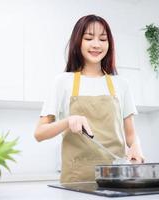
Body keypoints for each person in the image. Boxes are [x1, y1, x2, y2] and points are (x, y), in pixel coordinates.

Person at [34, 14, 144, 183]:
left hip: (117, 179)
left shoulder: (121, 84)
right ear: (78, 41)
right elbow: (39, 133)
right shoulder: (62, 82)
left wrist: (136, 147)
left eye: (103, 39)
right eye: (89, 38)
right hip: (76, 180)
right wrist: (68, 121)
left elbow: (131, 135)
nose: (96, 44)